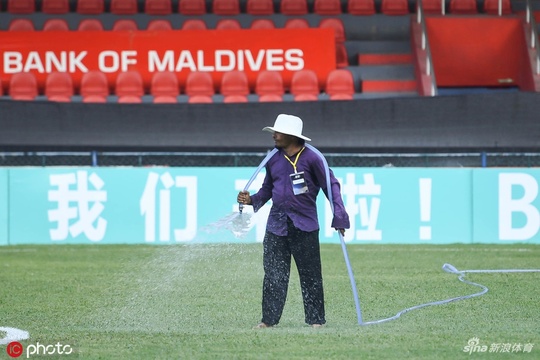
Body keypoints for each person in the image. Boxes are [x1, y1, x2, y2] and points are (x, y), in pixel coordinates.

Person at [237, 114, 350, 329]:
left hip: (305, 225)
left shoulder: (313, 158)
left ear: (292, 136)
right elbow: (267, 190)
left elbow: (331, 186)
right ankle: (268, 320)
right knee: (273, 274)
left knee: (310, 275)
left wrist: (340, 216)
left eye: (278, 133)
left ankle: (316, 320)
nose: (274, 136)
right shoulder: (272, 159)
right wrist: (251, 200)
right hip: (276, 225)